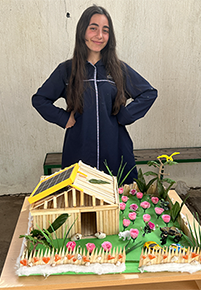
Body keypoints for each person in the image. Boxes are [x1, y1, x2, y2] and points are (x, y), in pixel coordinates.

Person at [32, 5, 156, 184]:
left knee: (118, 201)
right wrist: (63, 118)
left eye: (105, 31)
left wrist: (125, 116)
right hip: (79, 148)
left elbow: (148, 93)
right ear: (83, 31)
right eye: (93, 28)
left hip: (116, 148)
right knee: (82, 201)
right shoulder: (67, 70)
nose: (99, 35)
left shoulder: (118, 69)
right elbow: (40, 100)